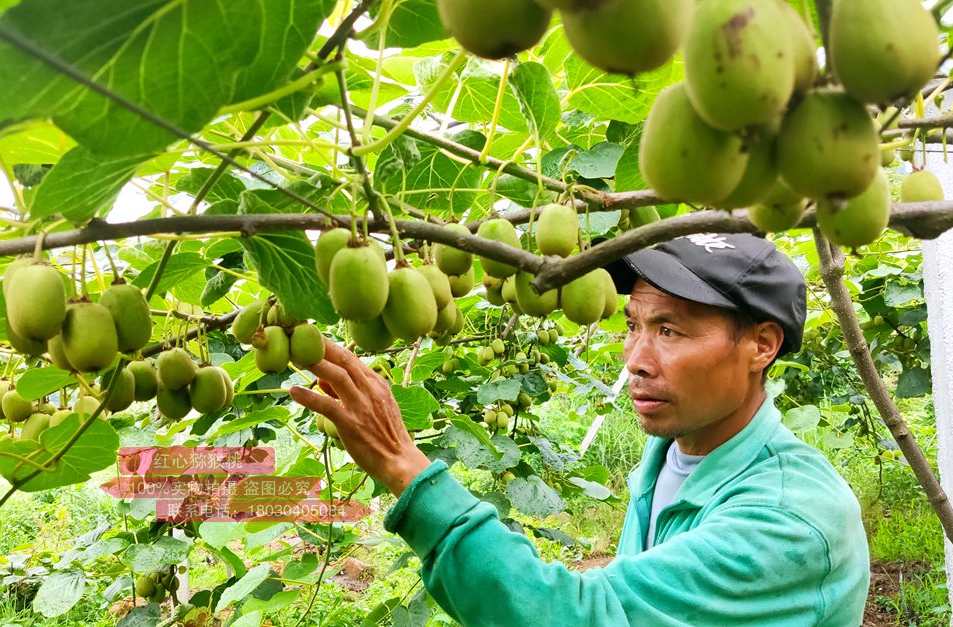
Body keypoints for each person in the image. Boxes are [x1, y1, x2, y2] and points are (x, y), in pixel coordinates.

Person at [289, 232, 870, 626]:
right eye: (634, 324)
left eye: (670, 331)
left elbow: (587, 616)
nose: (635, 358)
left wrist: (402, 466)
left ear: (761, 346)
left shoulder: (791, 519)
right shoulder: (674, 454)